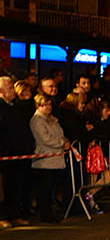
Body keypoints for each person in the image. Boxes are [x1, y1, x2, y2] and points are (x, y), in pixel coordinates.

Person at [0, 76, 35, 227]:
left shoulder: (15, 107)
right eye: (10, 88)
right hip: (5, 155)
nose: (14, 91)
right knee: (5, 187)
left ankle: (15, 214)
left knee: (17, 186)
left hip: (19, 154)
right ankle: (3, 216)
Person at [30, 93, 69, 223]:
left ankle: (50, 211)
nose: (48, 107)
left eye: (49, 104)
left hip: (56, 159)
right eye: (44, 105)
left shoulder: (53, 119)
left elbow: (60, 134)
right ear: (38, 106)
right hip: (45, 160)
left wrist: (65, 141)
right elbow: (45, 138)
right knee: (44, 189)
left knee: (51, 187)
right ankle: (45, 214)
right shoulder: (37, 121)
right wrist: (62, 143)